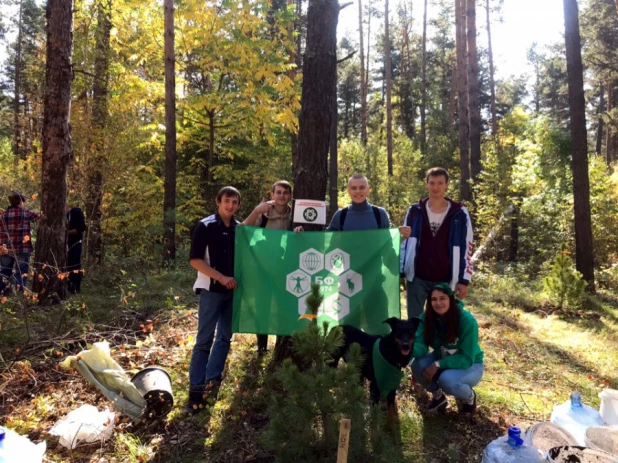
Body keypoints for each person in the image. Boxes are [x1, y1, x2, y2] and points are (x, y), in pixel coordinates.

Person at [185, 186, 241, 415]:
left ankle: (212, 382)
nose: (230, 205)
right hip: (210, 291)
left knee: (225, 337)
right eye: (227, 201)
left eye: (235, 202)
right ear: (218, 202)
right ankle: (195, 392)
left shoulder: (240, 229)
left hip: (232, 293)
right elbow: (195, 260)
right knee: (204, 341)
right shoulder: (205, 226)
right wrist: (220, 277)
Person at [399, 167, 473, 319]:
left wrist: (464, 279)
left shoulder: (459, 213)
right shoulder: (415, 210)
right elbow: (403, 243)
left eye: (440, 183)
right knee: (415, 323)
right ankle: (419, 344)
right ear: (426, 184)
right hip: (416, 277)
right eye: (432, 183)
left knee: (442, 324)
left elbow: (467, 247)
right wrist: (401, 271)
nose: (436, 187)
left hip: (444, 279)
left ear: (447, 185)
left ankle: (441, 344)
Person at [243, 180, 302, 353]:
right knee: (263, 306)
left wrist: (299, 231)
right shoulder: (263, 213)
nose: (282, 195)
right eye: (278, 192)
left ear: (290, 196)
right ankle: (261, 347)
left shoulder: (295, 215)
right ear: (272, 195)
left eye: (285, 192)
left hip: (286, 268)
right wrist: (256, 211)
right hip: (263, 267)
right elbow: (243, 229)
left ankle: (280, 347)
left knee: (283, 306)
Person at [411, 283, 484, 413]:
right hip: (442, 358)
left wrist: (438, 364)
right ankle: (438, 398)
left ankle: (469, 398)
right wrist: (408, 349)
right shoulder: (426, 318)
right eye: (434, 299)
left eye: (442, 298)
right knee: (417, 364)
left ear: (450, 298)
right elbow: (421, 345)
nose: (438, 303)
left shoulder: (467, 321)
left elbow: (467, 358)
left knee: (447, 380)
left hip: (471, 364)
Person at [0, 193, 40, 294]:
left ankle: (3, 293)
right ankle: (19, 293)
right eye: (23, 202)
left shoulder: (3, 215)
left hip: (6, 248)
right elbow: (40, 219)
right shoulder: (26, 213)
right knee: (21, 272)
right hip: (22, 248)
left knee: (4, 271)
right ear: (20, 202)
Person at [67, 205, 86, 294]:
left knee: (75, 264)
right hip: (66, 244)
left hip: (75, 243)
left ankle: (76, 288)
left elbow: (81, 228)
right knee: (67, 265)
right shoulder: (65, 215)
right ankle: (69, 286)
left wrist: (66, 233)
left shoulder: (76, 212)